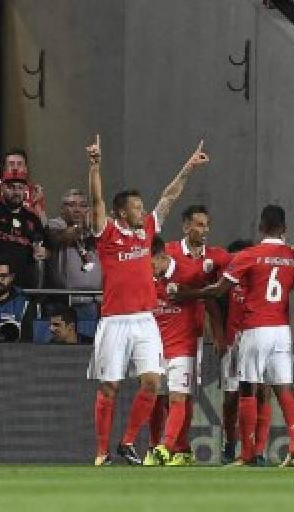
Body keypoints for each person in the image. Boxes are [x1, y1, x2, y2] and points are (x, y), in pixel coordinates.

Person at [87, 134, 209, 466]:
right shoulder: (108, 234)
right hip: (114, 320)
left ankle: (127, 442)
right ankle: (101, 452)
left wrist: (187, 168)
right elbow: (96, 203)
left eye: (142, 206)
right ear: (121, 212)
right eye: (136, 207)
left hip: (145, 320)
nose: (143, 211)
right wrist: (95, 166)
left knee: (153, 382)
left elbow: (169, 196)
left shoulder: (148, 230)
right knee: (109, 387)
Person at [196, 205, 294, 467]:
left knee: (248, 388)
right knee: (282, 388)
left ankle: (247, 454)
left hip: (255, 329)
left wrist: (188, 294)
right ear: (284, 228)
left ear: (260, 227)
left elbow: (219, 289)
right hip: (282, 330)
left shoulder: (249, 255)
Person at [143, 208, 226, 467]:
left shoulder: (205, 263)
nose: (204, 230)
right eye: (199, 225)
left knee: (182, 394)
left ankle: (176, 447)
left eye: (206, 225)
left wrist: (218, 333)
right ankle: (159, 445)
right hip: (156, 340)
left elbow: (210, 297)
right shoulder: (167, 252)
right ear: (185, 227)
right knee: (157, 396)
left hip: (189, 337)